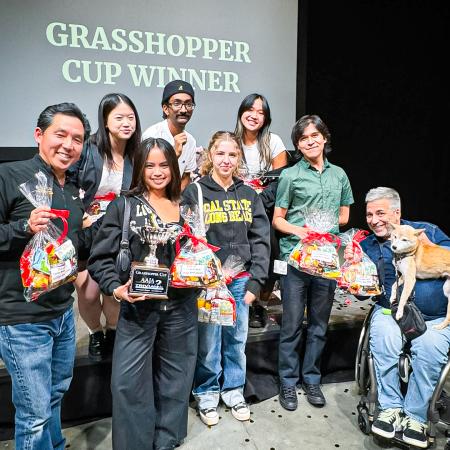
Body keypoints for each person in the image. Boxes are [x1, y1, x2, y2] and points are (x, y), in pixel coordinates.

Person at [88, 137, 198, 450]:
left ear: (174, 168)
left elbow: (200, 253)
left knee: (176, 376)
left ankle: (166, 438)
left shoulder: (187, 205)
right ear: (139, 168)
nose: (157, 171)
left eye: (164, 164)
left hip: (182, 307)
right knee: (127, 382)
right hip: (138, 309)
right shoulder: (124, 205)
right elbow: (99, 258)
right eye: (149, 165)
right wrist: (116, 289)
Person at [0, 102, 89, 449]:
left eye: (77, 139)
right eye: (61, 135)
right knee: (34, 414)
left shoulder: (71, 189)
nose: (68, 145)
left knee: (54, 396)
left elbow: (71, 245)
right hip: (23, 319)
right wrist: (23, 227)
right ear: (39, 135)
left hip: (63, 312)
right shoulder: (9, 176)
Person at [344, 187, 450, 449]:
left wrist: (426, 246)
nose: (374, 219)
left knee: (430, 347)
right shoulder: (366, 245)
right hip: (390, 310)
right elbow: (360, 295)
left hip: (435, 314)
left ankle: (415, 417)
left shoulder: (425, 230)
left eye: (381, 213)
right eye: (369, 214)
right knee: (386, 339)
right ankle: (390, 408)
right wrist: (352, 271)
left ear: (397, 213)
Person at [182, 131, 271, 426]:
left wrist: (256, 282)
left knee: (236, 339)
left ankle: (233, 389)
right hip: (208, 283)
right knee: (208, 341)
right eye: (220, 153)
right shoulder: (195, 191)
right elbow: (185, 238)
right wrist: (202, 273)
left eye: (233, 155)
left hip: (240, 281)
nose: (226, 160)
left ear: (239, 159)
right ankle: (206, 392)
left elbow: (260, 240)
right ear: (210, 155)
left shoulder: (248, 194)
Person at [273, 115, 354, 410]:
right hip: (295, 260)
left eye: (314, 135)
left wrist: (323, 229)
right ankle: (287, 382)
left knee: (319, 325)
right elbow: (278, 220)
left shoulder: (339, 175)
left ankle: (312, 379)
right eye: (303, 138)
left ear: (324, 138)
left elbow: (344, 217)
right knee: (292, 325)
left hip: (326, 259)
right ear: (297, 144)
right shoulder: (290, 175)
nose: (310, 141)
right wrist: (304, 231)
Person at [69, 93, 141, 361]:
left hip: (118, 230)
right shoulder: (88, 150)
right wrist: (80, 216)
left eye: (130, 117)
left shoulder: (138, 153)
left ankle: (112, 333)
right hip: (86, 228)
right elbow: (68, 184)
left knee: (115, 289)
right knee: (87, 292)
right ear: (106, 121)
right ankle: (95, 331)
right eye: (119, 117)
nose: (126, 123)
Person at [234, 93, 289, 328]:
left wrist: (258, 202)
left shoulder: (273, 142)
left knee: (265, 257)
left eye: (261, 112)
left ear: (266, 118)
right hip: (236, 209)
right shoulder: (231, 141)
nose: (254, 115)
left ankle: (258, 305)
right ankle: (237, 301)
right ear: (241, 112)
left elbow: (282, 181)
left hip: (264, 210)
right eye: (250, 109)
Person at [142, 80, 197, 190]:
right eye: (177, 104)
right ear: (166, 109)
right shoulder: (153, 135)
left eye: (188, 104)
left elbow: (186, 176)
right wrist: (173, 154)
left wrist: (176, 199)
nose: (183, 109)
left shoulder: (191, 141)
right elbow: (145, 175)